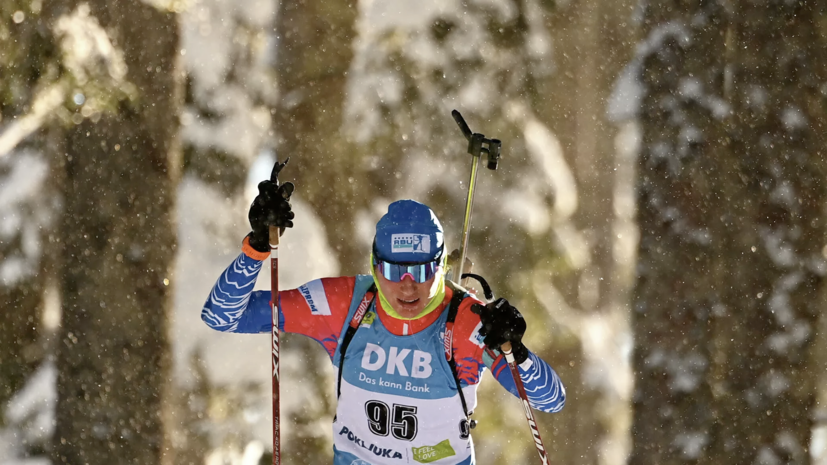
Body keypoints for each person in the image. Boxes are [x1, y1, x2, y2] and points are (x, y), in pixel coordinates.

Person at [201, 176, 565, 465]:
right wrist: (256, 248)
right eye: (393, 269)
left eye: (422, 271)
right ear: (375, 266)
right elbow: (221, 315)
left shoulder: (470, 322)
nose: (408, 286)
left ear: (441, 267)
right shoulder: (343, 305)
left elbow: (552, 400)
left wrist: (517, 351)